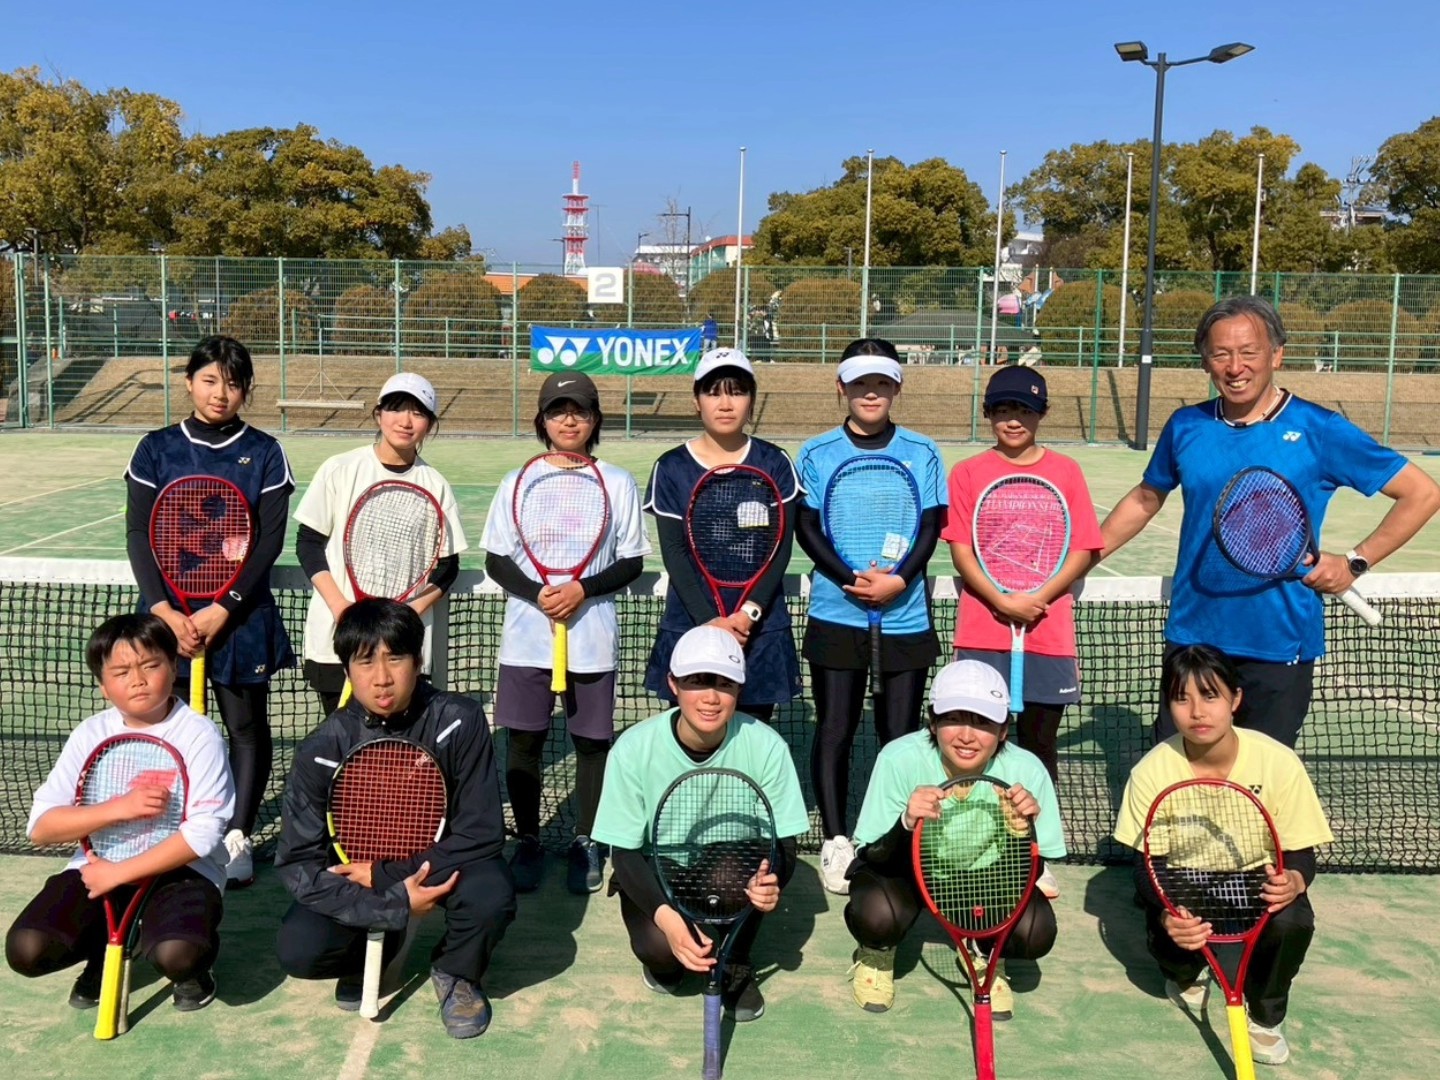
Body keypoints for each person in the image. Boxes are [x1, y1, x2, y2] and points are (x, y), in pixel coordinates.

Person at [1100, 296, 1440, 747]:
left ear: (1277, 355)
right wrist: (1076, 564)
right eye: (1220, 354)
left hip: (1279, 644)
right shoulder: (1186, 426)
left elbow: (1422, 493)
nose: (1235, 367)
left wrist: (1354, 562)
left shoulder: (1319, 429)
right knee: (1179, 775)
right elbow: (1145, 499)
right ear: (1205, 361)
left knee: (1260, 780)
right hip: (1195, 636)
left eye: (1249, 352)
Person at [273, 599, 516, 1040]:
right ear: (347, 670)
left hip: (440, 861)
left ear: (418, 661)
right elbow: (298, 864)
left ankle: (456, 970)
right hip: (358, 875)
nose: (381, 677)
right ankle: (374, 951)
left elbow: (481, 833)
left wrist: (387, 875)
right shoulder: (321, 749)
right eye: (365, 661)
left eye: (395, 658)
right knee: (300, 949)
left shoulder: (459, 720)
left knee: (491, 895)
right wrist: (391, 905)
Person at [123, 334, 293, 887]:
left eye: (234, 383)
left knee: (244, 728)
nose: (221, 393)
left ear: (246, 390)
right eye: (210, 380)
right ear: (189, 381)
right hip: (168, 616)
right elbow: (138, 533)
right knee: (162, 725)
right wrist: (163, 610)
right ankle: (168, 831)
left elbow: (268, 541)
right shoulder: (156, 448)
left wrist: (224, 608)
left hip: (240, 617)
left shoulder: (265, 452)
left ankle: (236, 835)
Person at [1113, 644, 1332, 1067]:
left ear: (1235, 699)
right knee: (1172, 938)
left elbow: (1300, 853)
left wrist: (1295, 880)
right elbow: (1146, 868)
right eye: (1181, 698)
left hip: (1253, 877)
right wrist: (1167, 915)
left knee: (1292, 918)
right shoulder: (1151, 771)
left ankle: (1265, 1017)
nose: (1197, 711)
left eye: (1210, 695)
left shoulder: (1278, 762)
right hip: (1182, 880)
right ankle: (1183, 973)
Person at [5, 614, 234, 1013]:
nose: (138, 680)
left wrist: (120, 873)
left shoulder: (199, 734)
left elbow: (203, 835)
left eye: (150, 665)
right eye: (121, 672)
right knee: (27, 949)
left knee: (177, 953)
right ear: (103, 685)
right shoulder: (90, 733)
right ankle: (103, 948)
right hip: (98, 863)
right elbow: (41, 827)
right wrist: (117, 809)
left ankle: (194, 969)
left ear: (173, 666)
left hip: (183, 870)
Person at [481, 372, 650, 896]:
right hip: (526, 639)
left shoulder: (617, 482)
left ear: (595, 419)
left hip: (592, 637)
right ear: (543, 420)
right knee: (524, 741)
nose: (569, 420)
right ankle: (528, 840)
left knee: (592, 743)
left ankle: (586, 840)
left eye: (579, 410)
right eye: (558, 410)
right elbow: (496, 559)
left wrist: (582, 589)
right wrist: (538, 595)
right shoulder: (516, 481)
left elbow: (632, 561)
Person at [591, 625, 809, 1022]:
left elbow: (783, 844)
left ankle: (736, 961)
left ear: (739, 689)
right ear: (673, 684)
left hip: (728, 864)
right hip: (655, 866)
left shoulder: (767, 746)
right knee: (661, 952)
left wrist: (773, 879)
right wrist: (672, 924)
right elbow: (623, 853)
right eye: (697, 682)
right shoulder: (633, 748)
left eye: (724, 684)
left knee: (741, 872)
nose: (711, 697)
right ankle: (675, 949)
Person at [794, 338, 946, 896]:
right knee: (835, 728)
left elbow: (930, 525)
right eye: (861, 382)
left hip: (905, 617)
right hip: (837, 614)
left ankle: (891, 837)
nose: (872, 392)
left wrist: (898, 580)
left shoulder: (923, 451)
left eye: (882, 382)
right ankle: (836, 839)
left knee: (899, 736)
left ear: (896, 387)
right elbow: (807, 526)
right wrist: (850, 580)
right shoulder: (816, 452)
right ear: (842, 388)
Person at [942, 366, 1101, 898]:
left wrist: (1040, 597)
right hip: (982, 633)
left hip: (1047, 634)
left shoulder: (1067, 472)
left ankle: (1033, 850)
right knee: (973, 745)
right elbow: (961, 549)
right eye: (1004, 409)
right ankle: (968, 845)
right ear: (989, 413)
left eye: (1025, 410)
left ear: (1041, 414)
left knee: (1037, 746)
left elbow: (1083, 549)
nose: (1014, 420)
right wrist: (1002, 600)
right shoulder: (968, 473)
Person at [845, 661, 1063, 1017]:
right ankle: (876, 953)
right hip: (907, 873)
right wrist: (906, 823)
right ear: (933, 723)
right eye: (953, 719)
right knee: (877, 913)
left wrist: (1019, 834)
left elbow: (1031, 873)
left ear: (1003, 730)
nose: (966, 736)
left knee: (1035, 931)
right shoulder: (898, 758)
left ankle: (984, 950)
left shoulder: (1027, 771)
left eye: (982, 723)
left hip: (981, 880)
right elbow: (872, 856)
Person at [642, 347, 803, 721]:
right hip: (691, 624)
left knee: (753, 733)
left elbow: (780, 549)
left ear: (752, 400)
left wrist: (748, 614)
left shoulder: (775, 462)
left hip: (758, 630)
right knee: (693, 734)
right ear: (696, 401)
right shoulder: (672, 467)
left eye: (737, 392)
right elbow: (675, 553)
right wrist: (710, 621)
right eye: (713, 392)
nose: (726, 403)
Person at [294, 372, 467, 716]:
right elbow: (309, 543)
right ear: (378, 415)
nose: (405, 421)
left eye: (418, 412)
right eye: (396, 408)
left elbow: (448, 567)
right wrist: (342, 608)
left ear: (430, 424)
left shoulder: (435, 484)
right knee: (341, 739)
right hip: (338, 641)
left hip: (402, 647)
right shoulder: (339, 469)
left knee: (395, 744)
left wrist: (406, 615)